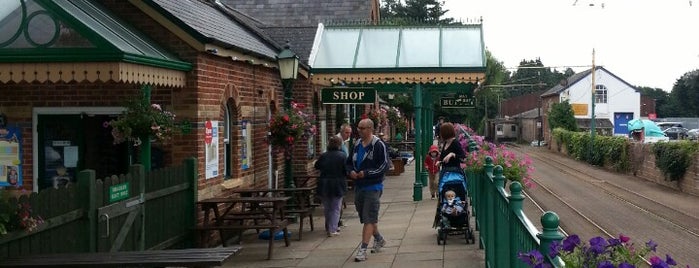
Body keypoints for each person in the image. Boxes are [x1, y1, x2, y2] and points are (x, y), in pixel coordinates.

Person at [346, 118, 389, 262]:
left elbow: (384, 166)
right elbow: (348, 163)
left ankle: (362, 250)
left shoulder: (378, 145)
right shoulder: (357, 144)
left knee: (369, 218)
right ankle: (379, 239)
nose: (359, 130)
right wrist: (351, 171)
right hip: (359, 186)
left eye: (362, 128)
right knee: (366, 217)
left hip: (373, 186)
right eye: (358, 128)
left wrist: (367, 173)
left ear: (370, 129)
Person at [314, 136, 348, 237]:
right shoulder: (342, 156)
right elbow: (346, 170)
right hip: (338, 183)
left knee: (327, 207)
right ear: (339, 144)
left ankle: (329, 226)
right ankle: (333, 228)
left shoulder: (324, 155)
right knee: (336, 207)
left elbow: (317, 166)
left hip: (324, 183)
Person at [335, 123, 352, 228]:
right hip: (337, 175)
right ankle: (336, 223)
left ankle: (337, 221)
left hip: (341, 174)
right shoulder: (337, 141)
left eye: (350, 132)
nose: (348, 135)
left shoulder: (343, 141)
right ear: (341, 132)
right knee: (337, 202)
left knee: (339, 201)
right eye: (346, 132)